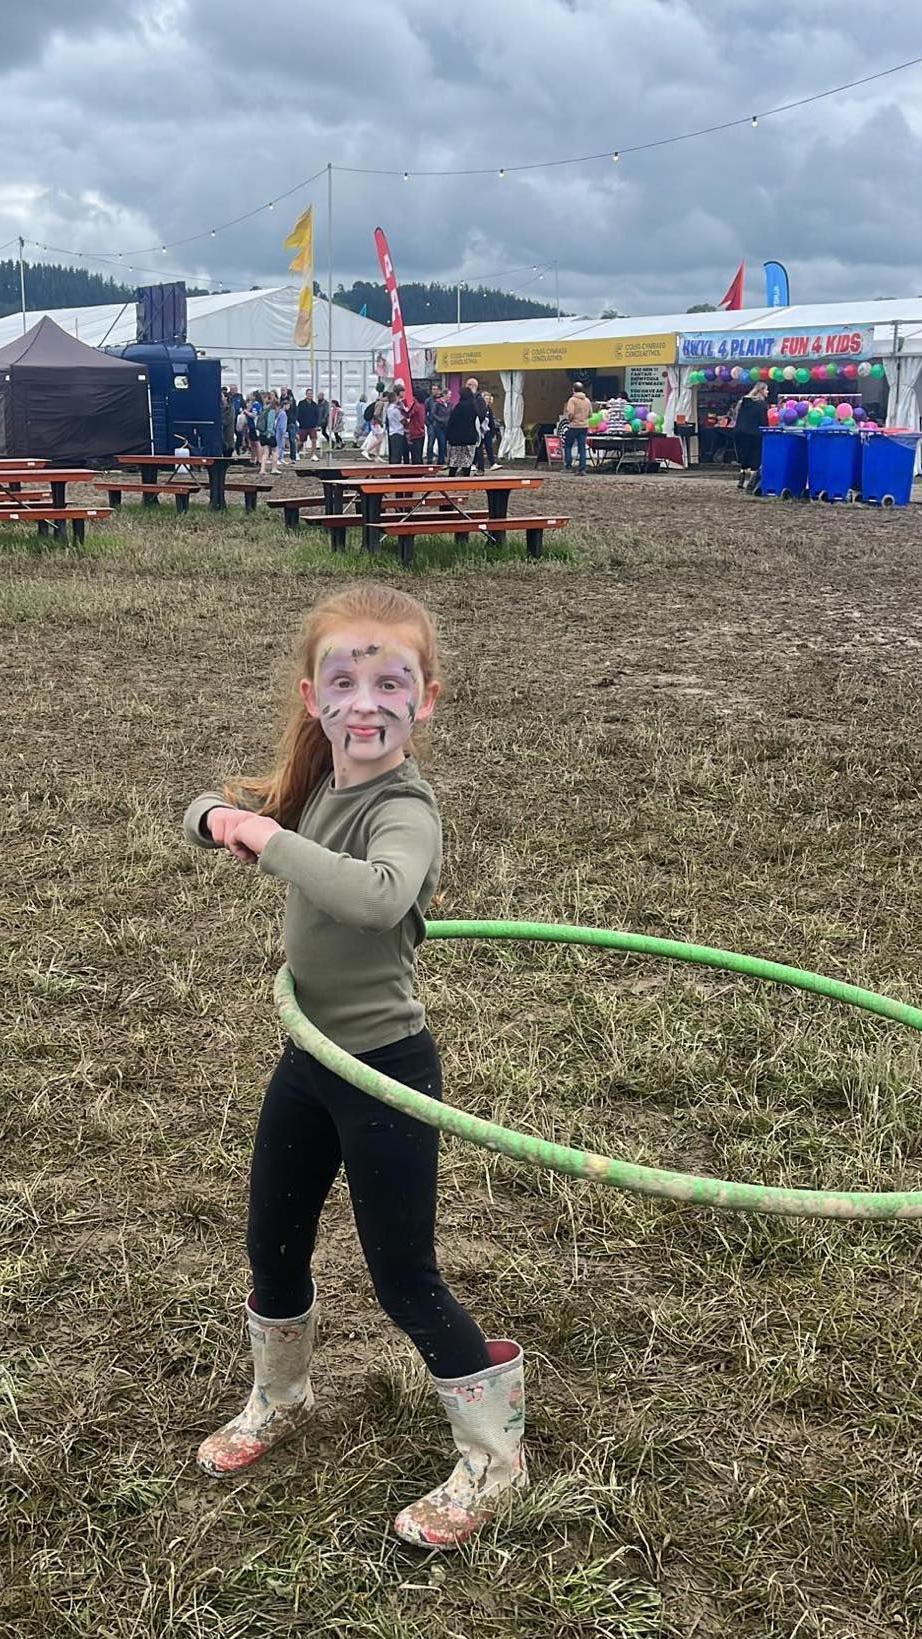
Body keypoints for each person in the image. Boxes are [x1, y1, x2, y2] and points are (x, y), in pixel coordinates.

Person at [182, 582, 527, 1551]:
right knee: (271, 1242)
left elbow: (379, 899)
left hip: (386, 1070)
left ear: (427, 699)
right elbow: (205, 808)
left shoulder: (405, 806)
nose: (365, 701)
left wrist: (266, 838)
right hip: (309, 1060)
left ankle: (496, 1458)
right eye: (344, 679)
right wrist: (222, 816)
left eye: (391, 681)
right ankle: (278, 1398)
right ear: (312, 696)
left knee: (403, 1276)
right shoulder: (320, 783)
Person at [734, 382, 769, 491]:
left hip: (739, 432)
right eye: (766, 390)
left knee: (744, 455)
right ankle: (752, 483)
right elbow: (763, 421)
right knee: (755, 456)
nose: (768, 392)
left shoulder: (743, 402)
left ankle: (742, 476)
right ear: (761, 390)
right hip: (754, 433)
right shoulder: (762, 404)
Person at [445, 386, 480, 476]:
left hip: (456, 439)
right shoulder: (474, 407)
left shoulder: (458, 407)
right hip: (470, 438)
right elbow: (477, 421)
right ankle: (466, 479)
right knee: (467, 460)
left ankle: (450, 479)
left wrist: (448, 435)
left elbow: (451, 422)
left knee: (454, 460)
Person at [563, 381, 592, 475]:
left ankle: (568, 466)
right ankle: (582, 469)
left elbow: (570, 413)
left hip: (574, 426)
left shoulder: (572, 400)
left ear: (573, 389)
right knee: (582, 447)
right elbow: (590, 414)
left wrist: (570, 420)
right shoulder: (587, 400)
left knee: (568, 446)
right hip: (584, 426)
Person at [466, 377, 488, 471]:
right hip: (468, 427)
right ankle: (469, 465)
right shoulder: (468, 399)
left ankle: (481, 468)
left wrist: (476, 421)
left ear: (473, 386)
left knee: (478, 448)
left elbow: (482, 414)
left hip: (477, 427)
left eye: (468, 385)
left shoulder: (479, 400)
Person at [426, 387, 450, 465]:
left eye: (436, 389)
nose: (434, 391)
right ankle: (429, 459)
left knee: (442, 443)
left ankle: (441, 459)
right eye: (433, 389)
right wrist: (428, 423)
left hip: (443, 426)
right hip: (432, 424)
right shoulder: (429, 400)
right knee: (430, 443)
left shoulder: (446, 402)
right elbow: (427, 413)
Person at [385, 385, 408, 463]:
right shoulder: (395, 409)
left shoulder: (389, 408)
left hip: (392, 431)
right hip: (398, 431)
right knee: (397, 453)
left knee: (393, 453)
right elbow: (402, 420)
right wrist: (406, 420)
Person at [297, 390, 320, 461]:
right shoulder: (301, 403)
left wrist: (317, 425)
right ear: (306, 394)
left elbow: (317, 415)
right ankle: (296, 452)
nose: (310, 395)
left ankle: (313, 454)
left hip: (312, 426)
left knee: (314, 440)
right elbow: (298, 414)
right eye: (308, 394)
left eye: (311, 394)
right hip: (303, 426)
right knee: (301, 441)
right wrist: (300, 422)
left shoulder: (314, 404)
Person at [480, 390, 500, 470]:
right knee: (478, 449)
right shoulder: (480, 408)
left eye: (488, 399)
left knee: (489, 447)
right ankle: (475, 464)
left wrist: (493, 432)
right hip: (480, 431)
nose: (487, 400)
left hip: (487, 431)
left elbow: (491, 421)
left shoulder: (489, 409)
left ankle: (492, 463)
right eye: (486, 398)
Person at [405, 393, 426, 464]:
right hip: (422, 432)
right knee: (419, 453)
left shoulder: (416, 406)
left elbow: (409, 415)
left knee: (415, 454)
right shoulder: (423, 406)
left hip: (415, 432)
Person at [271, 399, 288, 473]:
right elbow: (282, 425)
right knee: (280, 446)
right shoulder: (283, 413)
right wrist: (284, 433)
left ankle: (281, 458)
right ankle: (278, 459)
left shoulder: (279, 413)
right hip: (280, 433)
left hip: (278, 431)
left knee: (280, 446)